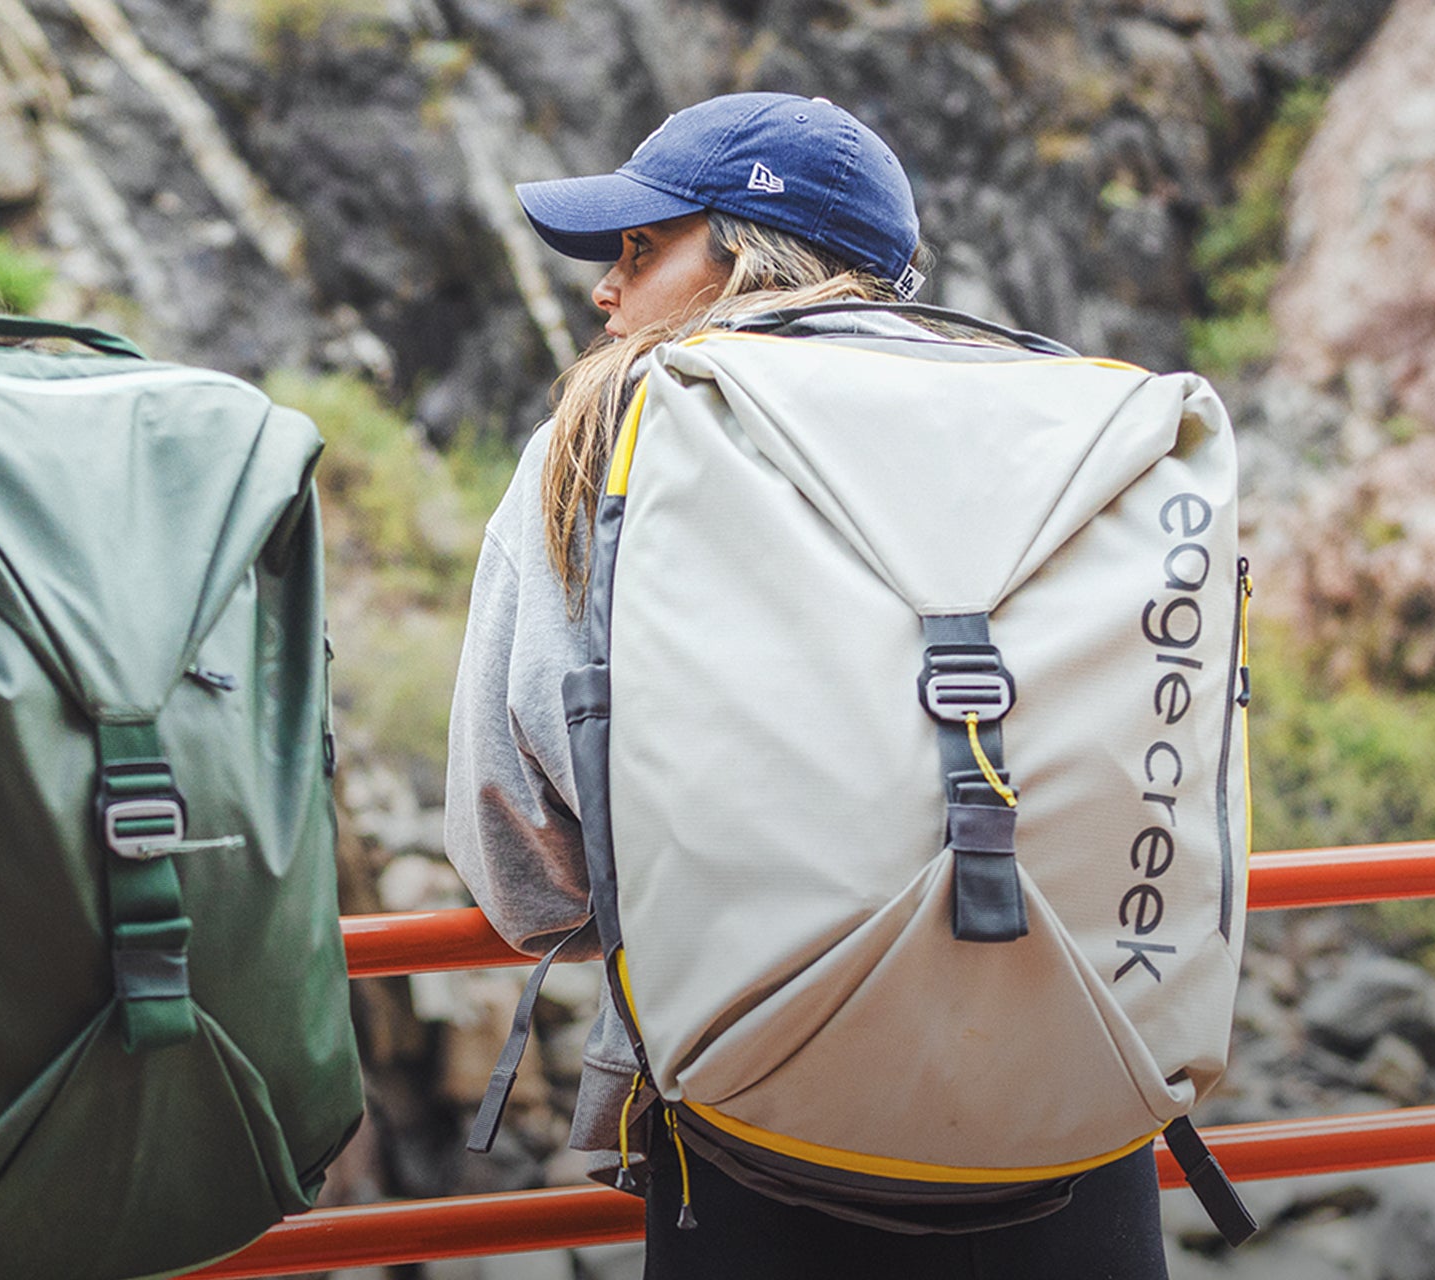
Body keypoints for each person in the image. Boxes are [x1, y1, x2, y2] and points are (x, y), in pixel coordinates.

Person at [442, 92, 1174, 1276]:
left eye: (640, 246)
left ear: (743, 254)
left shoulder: (613, 431)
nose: (605, 291)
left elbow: (524, 870)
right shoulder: (1070, 422)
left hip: (755, 1121)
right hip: (1079, 1098)